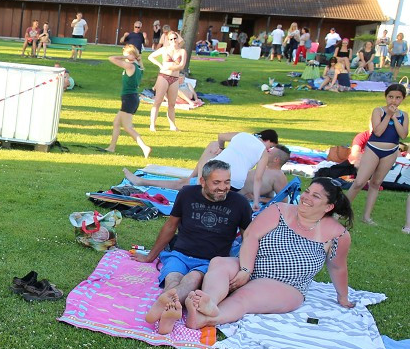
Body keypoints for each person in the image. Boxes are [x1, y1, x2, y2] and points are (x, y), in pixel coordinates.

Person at [184, 177, 354, 329]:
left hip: (286, 285)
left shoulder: (338, 234)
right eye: (307, 191)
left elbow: (337, 267)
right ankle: (209, 302)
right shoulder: (279, 210)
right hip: (250, 265)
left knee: (247, 294)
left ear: (329, 206)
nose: (306, 197)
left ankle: (203, 319)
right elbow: (251, 236)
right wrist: (246, 270)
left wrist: (343, 297)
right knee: (219, 263)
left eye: (316, 196)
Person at [136, 159, 252, 334]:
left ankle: (163, 306)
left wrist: (246, 269)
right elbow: (170, 226)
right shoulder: (187, 194)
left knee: (192, 280)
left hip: (210, 261)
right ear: (202, 181)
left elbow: (248, 239)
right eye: (216, 182)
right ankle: (170, 310)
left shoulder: (240, 203)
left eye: (227, 181)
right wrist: (150, 256)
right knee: (173, 278)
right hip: (180, 254)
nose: (223, 187)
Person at [124, 130, 285, 208]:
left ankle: (192, 178)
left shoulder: (242, 135)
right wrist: (256, 201)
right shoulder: (263, 154)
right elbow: (257, 178)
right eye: (272, 146)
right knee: (187, 182)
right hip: (232, 185)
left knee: (211, 147)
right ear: (268, 141)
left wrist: (220, 148)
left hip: (214, 175)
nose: (271, 151)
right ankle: (193, 178)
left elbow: (221, 136)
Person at [345, 84, 408, 225]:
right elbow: (378, 131)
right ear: (386, 97)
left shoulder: (404, 115)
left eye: (398, 98)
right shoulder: (378, 111)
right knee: (359, 182)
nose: (393, 100)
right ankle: (341, 210)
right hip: (373, 148)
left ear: (403, 99)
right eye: (391, 97)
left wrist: (396, 119)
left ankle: (366, 216)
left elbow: (403, 135)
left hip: (391, 151)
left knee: (376, 183)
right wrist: (389, 116)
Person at [102, 44, 150, 158]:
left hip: (129, 98)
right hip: (130, 98)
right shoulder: (138, 66)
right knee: (116, 123)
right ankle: (112, 147)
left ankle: (144, 147)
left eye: (127, 54)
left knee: (128, 127)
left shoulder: (131, 66)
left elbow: (111, 58)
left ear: (132, 55)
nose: (125, 56)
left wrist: (125, 57)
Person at [147, 30, 186, 132]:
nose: (173, 40)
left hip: (175, 79)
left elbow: (181, 66)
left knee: (172, 104)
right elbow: (151, 57)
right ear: (168, 40)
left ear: (178, 39)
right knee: (158, 102)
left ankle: (173, 126)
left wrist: (170, 67)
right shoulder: (164, 49)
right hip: (163, 77)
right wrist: (161, 65)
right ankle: (152, 125)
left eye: (175, 38)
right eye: (171, 39)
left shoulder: (182, 51)